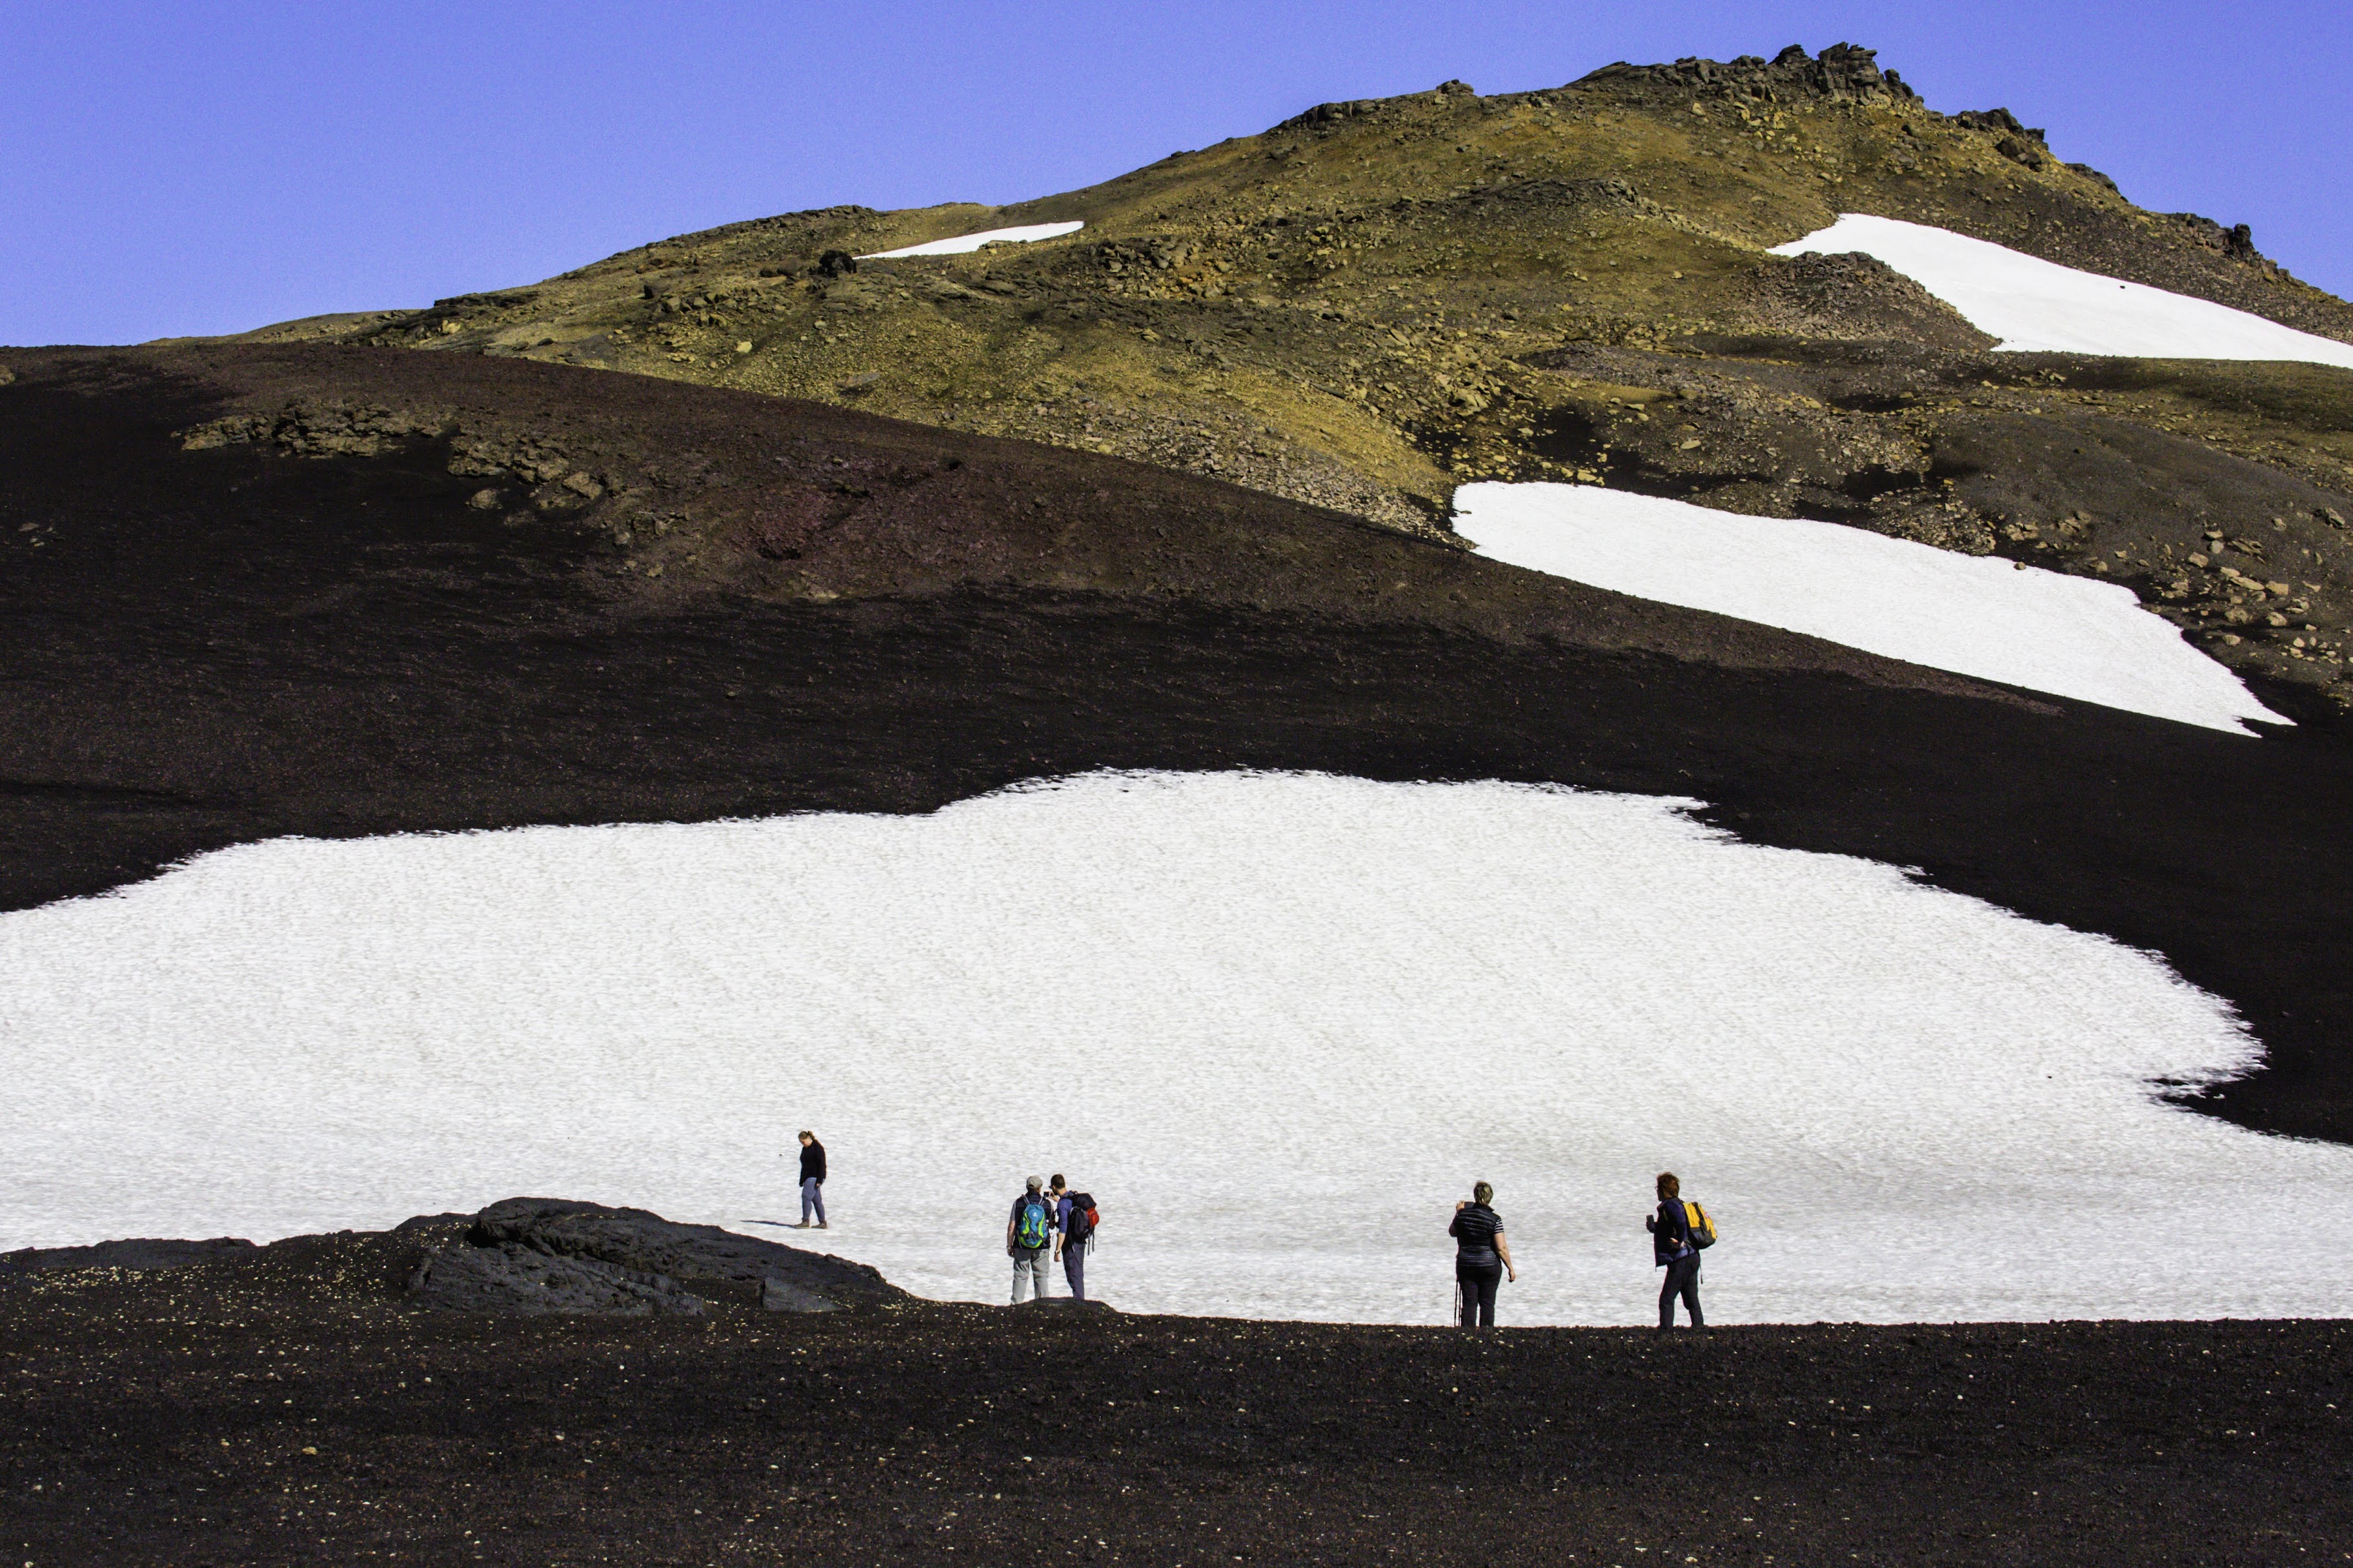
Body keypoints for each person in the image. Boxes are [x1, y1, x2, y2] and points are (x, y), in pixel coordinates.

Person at [1448, 1181, 1515, 1328]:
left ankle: (1467, 1336)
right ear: (1490, 1197)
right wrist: (1510, 1268)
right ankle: (1487, 1335)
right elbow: (1501, 1247)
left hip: (1466, 1264)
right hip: (1489, 1265)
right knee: (1487, 1303)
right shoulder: (1495, 1219)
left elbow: (1452, 1232)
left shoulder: (1463, 1216)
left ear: (1475, 1196)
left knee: (1469, 1303)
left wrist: (1458, 1213)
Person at [1646, 1171, 1704, 1330]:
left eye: (1658, 1188)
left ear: (1665, 1190)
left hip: (1681, 1259)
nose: (1657, 1191)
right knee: (1691, 1299)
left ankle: (1666, 1333)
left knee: (1666, 1299)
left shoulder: (1671, 1205)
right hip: (1692, 1257)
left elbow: (1680, 1222)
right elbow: (1671, 1227)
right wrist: (1655, 1228)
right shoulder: (1679, 1204)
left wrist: (1681, 1242)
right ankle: (1699, 1330)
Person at [1006, 1175, 1055, 1303]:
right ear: (1040, 1188)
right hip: (1042, 1246)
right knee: (1041, 1276)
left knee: (1021, 1276)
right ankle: (1043, 1305)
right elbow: (1051, 1225)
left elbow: (1012, 1226)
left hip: (1021, 1245)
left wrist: (1010, 1246)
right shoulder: (1046, 1204)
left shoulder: (1019, 1203)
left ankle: (1016, 1304)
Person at [1051, 1175, 1096, 1303]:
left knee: (1074, 1274)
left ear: (1054, 1187)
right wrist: (1058, 1200)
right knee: (1078, 1272)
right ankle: (1079, 1300)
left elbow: (1063, 1229)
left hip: (1071, 1245)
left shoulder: (1062, 1204)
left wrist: (1057, 1251)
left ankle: (1079, 1302)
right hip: (1081, 1241)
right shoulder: (1073, 1197)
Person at [793, 1131, 827, 1230]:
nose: (803, 1144)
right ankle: (822, 1223)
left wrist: (820, 1180)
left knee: (806, 1197)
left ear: (808, 1138)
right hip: (809, 1177)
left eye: (803, 1142)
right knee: (816, 1200)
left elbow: (822, 1165)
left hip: (816, 1177)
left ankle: (805, 1221)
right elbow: (804, 1166)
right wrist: (802, 1179)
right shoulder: (805, 1149)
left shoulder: (818, 1148)